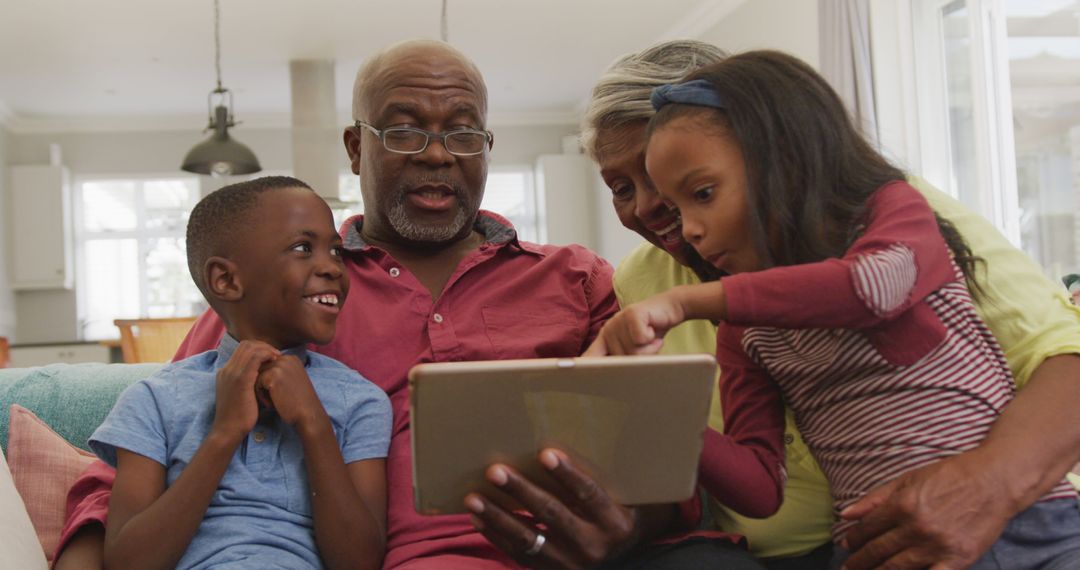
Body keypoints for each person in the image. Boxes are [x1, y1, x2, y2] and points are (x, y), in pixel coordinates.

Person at [55, 40, 761, 569]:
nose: (436, 154)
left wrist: (626, 528)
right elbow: (130, 466)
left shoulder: (578, 278)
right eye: (403, 131)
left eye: (461, 132)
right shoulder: (286, 291)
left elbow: (663, 453)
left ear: (484, 149)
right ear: (356, 147)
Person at [570, 39, 1080, 570]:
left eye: (693, 188)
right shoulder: (699, 307)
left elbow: (873, 288)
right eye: (622, 186)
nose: (653, 208)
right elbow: (758, 484)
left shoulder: (884, 209)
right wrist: (659, 408)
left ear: (774, 156)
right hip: (853, 546)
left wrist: (690, 301)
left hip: (1023, 517)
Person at [86, 176, 392, 569]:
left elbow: (359, 563)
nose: (332, 267)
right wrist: (224, 432)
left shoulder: (361, 402)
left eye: (335, 250)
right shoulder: (154, 402)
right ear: (226, 280)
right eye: (303, 248)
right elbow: (128, 564)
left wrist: (313, 423)